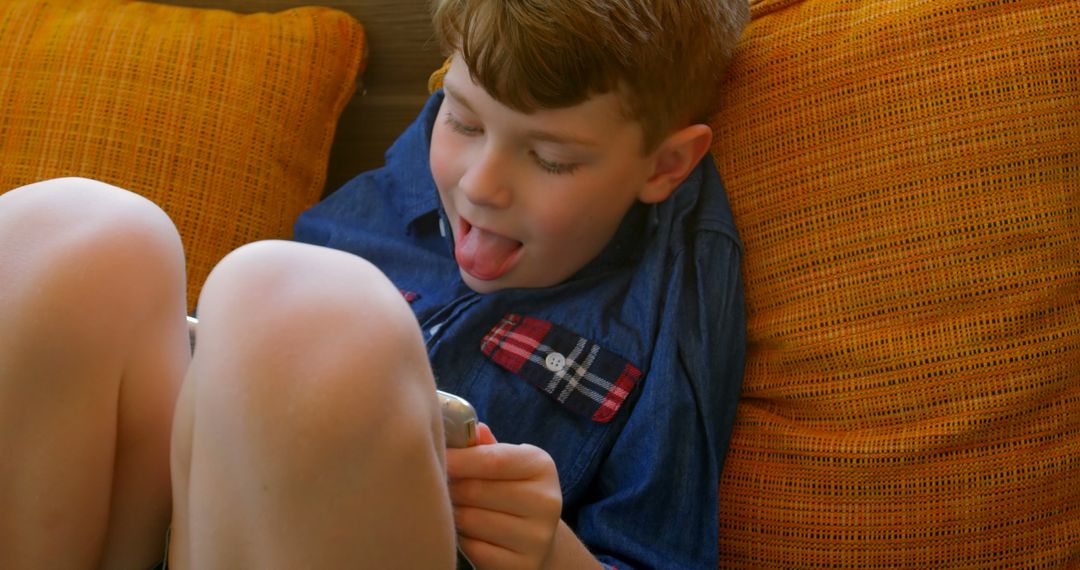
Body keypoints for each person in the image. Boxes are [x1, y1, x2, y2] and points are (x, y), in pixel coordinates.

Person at [0, 0, 749, 568]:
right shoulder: (391, 201)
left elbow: (660, 547)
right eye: (458, 118)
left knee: (300, 307)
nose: (480, 186)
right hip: (187, 518)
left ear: (664, 167)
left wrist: (550, 552)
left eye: (551, 159)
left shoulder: (672, 284)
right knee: (73, 231)